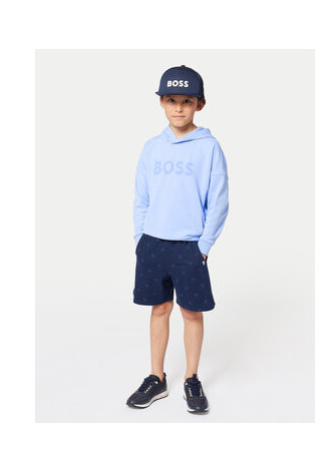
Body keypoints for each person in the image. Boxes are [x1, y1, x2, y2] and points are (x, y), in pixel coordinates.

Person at [126, 65, 229, 413]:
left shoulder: (208, 148)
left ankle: (191, 377)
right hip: (153, 244)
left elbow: (218, 200)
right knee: (159, 309)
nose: (179, 108)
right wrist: (141, 238)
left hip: (189, 247)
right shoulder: (152, 147)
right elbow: (142, 197)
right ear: (161, 103)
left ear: (200, 104)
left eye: (187, 101)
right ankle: (156, 377)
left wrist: (203, 246)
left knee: (191, 313)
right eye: (171, 100)